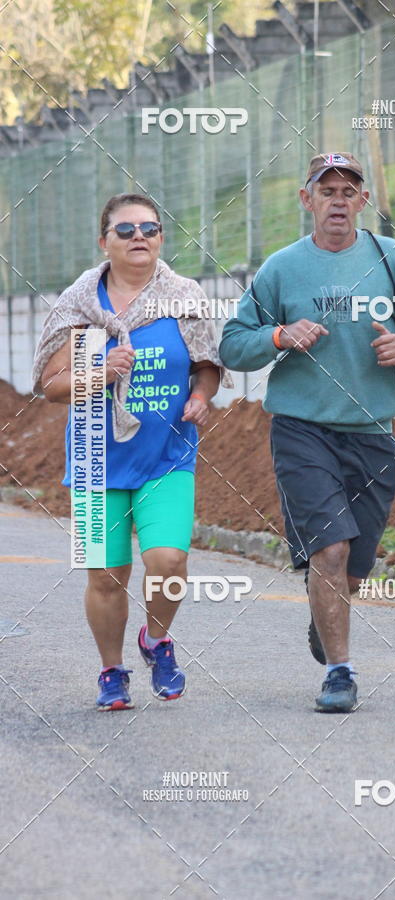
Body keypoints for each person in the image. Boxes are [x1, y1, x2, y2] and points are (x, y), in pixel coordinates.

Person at [219, 152, 395, 713]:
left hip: (371, 432)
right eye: (328, 191)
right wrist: (277, 337)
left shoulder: (393, 260)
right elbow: (232, 345)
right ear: (308, 201)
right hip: (302, 429)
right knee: (330, 548)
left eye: (349, 191)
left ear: (362, 202)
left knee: (355, 564)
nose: (339, 200)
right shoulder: (280, 269)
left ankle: (326, 621)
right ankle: (340, 674)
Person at [32, 193, 232, 710]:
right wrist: (101, 372)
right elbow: (49, 385)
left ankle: (157, 640)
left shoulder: (183, 294)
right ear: (104, 241)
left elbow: (206, 362)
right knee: (104, 575)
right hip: (96, 458)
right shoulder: (77, 306)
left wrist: (202, 396)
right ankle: (111, 672)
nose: (139, 236)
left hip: (167, 453)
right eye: (126, 230)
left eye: (150, 228)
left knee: (167, 560)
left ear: (162, 238)